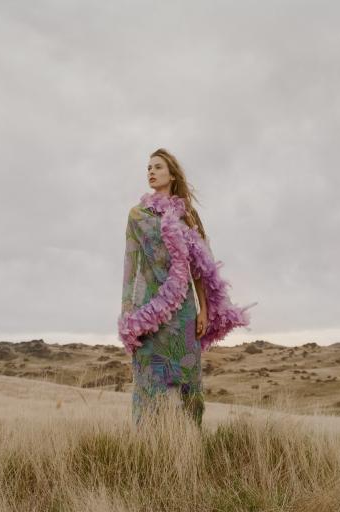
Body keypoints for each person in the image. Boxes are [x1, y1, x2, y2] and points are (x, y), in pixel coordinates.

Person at [118, 148, 256, 429]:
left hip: (184, 313)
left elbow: (199, 269)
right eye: (148, 168)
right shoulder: (137, 215)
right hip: (150, 310)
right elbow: (131, 263)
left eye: (157, 167)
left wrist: (204, 308)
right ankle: (147, 444)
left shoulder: (187, 217)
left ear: (171, 174)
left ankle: (189, 440)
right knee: (147, 377)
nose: (151, 172)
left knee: (188, 379)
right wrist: (127, 312)